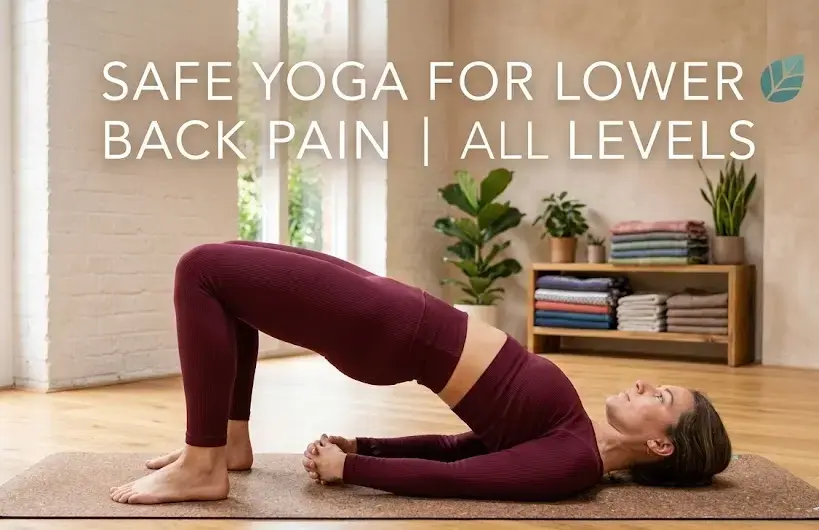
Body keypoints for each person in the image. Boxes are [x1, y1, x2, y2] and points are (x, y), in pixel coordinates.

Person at [109, 240, 732, 505]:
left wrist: (352, 470)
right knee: (228, 273)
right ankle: (229, 444)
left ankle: (204, 465)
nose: (645, 384)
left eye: (662, 397)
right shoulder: (574, 437)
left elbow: (459, 480)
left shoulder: (572, 464)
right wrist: (363, 445)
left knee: (202, 270)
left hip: (391, 331)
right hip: (404, 315)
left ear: (661, 444)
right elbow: (458, 447)